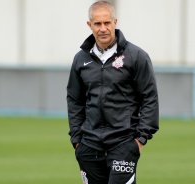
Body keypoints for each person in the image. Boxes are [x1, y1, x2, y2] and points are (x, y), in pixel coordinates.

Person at [66, 1, 159, 184]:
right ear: (89, 25)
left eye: (107, 23)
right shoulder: (81, 59)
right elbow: (74, 100)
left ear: (115, 22)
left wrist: (140, 139)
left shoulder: (136, 56)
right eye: (97, 24)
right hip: (89, 144)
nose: (103, 29)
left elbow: (149, 97)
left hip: (124, 143)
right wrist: (77, 139)